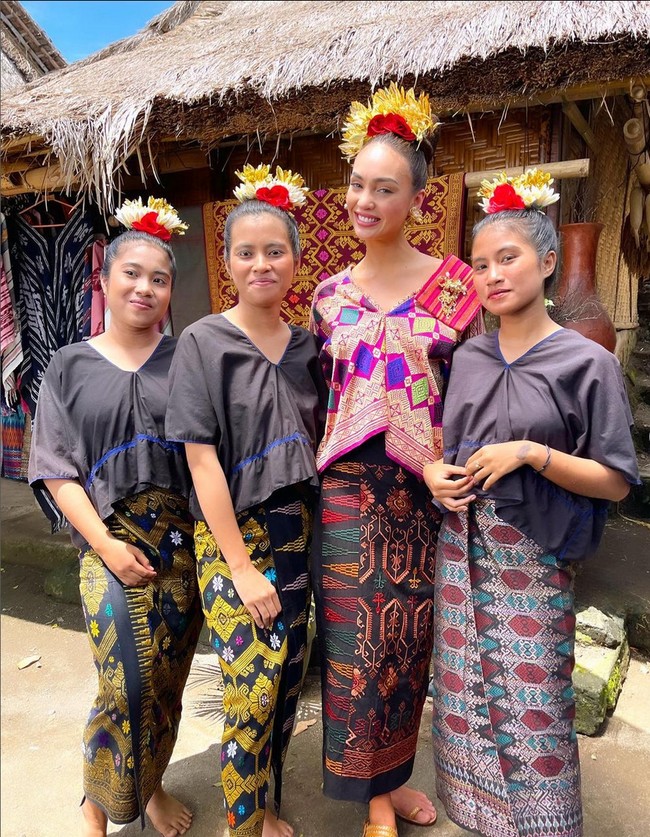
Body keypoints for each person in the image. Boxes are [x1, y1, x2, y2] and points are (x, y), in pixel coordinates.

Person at [424, 170, 641, 837]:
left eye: (508, 258)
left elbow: (616, 480)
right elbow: (442, 445)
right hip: (459, 556)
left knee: (536, 704)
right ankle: (476, 814)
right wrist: (434, 471)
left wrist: (531, 452)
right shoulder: (467, 357)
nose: (492, 275)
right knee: (460, 696)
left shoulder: (587, 362)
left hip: (535, 559)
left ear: (549, 263)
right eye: (481, 264)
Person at [309, 83, 484, 836]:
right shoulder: (326, 295)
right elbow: (316, 394)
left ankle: (397, 775)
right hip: (348, 493)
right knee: (354, 648)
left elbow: (479, 390)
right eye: (356, 185)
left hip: (423, 493)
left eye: (385, 187)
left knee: (410, 649)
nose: (365, 199)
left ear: (417, 198)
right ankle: (373, 799)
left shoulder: (456, 288)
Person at [27, 197, 204, 837]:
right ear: (104, 281)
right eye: (131, 273)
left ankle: (149, 785)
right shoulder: (70, 366)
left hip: (182, 549)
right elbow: (54, 467)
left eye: (159, 278)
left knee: (167, 681)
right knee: (123, 684)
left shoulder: (189, 359)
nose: (145, 287)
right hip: (109, 544)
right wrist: (104, 544)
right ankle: (96, 802)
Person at [165, 164, 325, 837]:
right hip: (237, 541)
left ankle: (265, 810)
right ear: (227, 260)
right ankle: (240, 824)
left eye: (276, 250)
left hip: (302, 532)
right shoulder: (203, 342)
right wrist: (239, 564)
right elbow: (201, 461)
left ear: (296, 257)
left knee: (287, 682)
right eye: (245, 252)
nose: (261, 264)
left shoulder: (310, 347)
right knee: (250, 691)